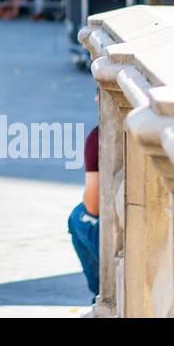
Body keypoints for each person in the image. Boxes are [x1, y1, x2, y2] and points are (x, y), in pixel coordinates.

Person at [67, 126, 100, 299]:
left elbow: (93, 206)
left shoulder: (99, 136)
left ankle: (102, 294)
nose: (97, 99)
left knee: (78, 216)